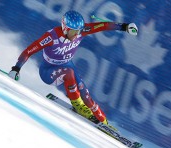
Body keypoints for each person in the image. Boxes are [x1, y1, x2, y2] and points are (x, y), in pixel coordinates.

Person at [8, 10, 138, 125]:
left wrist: (124, 26)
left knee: (85, 94)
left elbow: (102, 26)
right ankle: (78, 105)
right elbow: (29, 51)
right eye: (73, 32)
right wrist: (16, 69)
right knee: (68, 72)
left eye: (78, 32)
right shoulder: (51, 36)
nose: (76, 35)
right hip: (48, 71)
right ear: (65, 28)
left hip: (67, 64)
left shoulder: (80, 31)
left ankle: (104, 122)